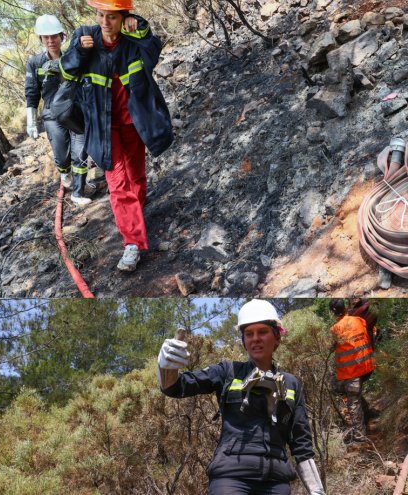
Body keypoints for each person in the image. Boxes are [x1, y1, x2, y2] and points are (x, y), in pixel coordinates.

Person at [157, 300, 325, 495]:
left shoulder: (291, 384)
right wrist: (165, 368)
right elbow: (176, 387)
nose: (255, 339)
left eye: (262, 332)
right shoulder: (227, 372)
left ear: (277, 337)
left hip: (276, 480)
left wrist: (316, 489)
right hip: (230, 477)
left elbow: (301, 441)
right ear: (244, 341)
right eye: (249, 334)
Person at [60, 0, 174, 271]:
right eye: (100, 14)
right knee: (118, 183)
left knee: (136, 176)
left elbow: (153, 53)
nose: (104, 21)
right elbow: (66, 71)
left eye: (111, 16)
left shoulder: (134, 40)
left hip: (134, 123)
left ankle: (135, 212)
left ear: (124, 17)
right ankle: (132, 243)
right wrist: (77, 51)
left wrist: (142, 29)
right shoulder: (84, 38)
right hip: (103, 128)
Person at [26, 15, 94, 205]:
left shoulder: (72, 57)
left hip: (75, 111)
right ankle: (65, 174)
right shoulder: (35, 63)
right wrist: (30, 121)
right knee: (62, 154)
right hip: (52, 115)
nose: (50, 41)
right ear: (41, 39)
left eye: (54, 36)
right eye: (46, 37)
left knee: (80, 152)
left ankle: (79, 190)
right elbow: (31, 92)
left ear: (61, 36)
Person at [329, 299, 375, 444]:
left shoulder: (335, 329)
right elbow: (371, 333)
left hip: (351, 372)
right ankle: (368, 416)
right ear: (345, 308)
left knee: (353, 402)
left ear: (333, 313)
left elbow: (330, 346)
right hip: (366, 367)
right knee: (355, 394)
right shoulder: (359, 320)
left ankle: (360, 437)